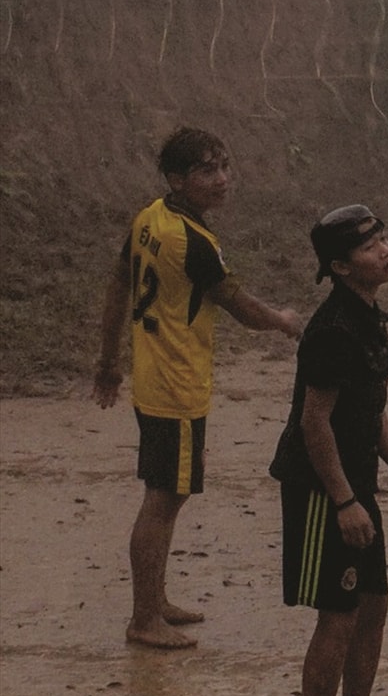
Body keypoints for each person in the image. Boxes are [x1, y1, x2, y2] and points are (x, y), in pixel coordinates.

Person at [93, 126, 304, 649]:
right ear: (177, 179)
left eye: (224, 166)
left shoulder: (150, 218)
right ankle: (144, 619)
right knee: (165, 497)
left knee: (168, 493)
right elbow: (241, 308)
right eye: (207, 170)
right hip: (177, 387)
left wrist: (108, 361)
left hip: (151, 379)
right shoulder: (193, 242)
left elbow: (119, 282)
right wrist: (282, 320)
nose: (222, 179)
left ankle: (154, 601)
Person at [273, 202, 388, 696]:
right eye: (369, 247)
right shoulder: (333, 329)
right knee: (336, 615)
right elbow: (316, 422)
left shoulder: (367, 317)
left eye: (384, 238)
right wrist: (342, 502)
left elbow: (371, 405)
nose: (385, 251)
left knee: (372, 607)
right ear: (340, 267)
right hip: (321, 487)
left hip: (357, 479)